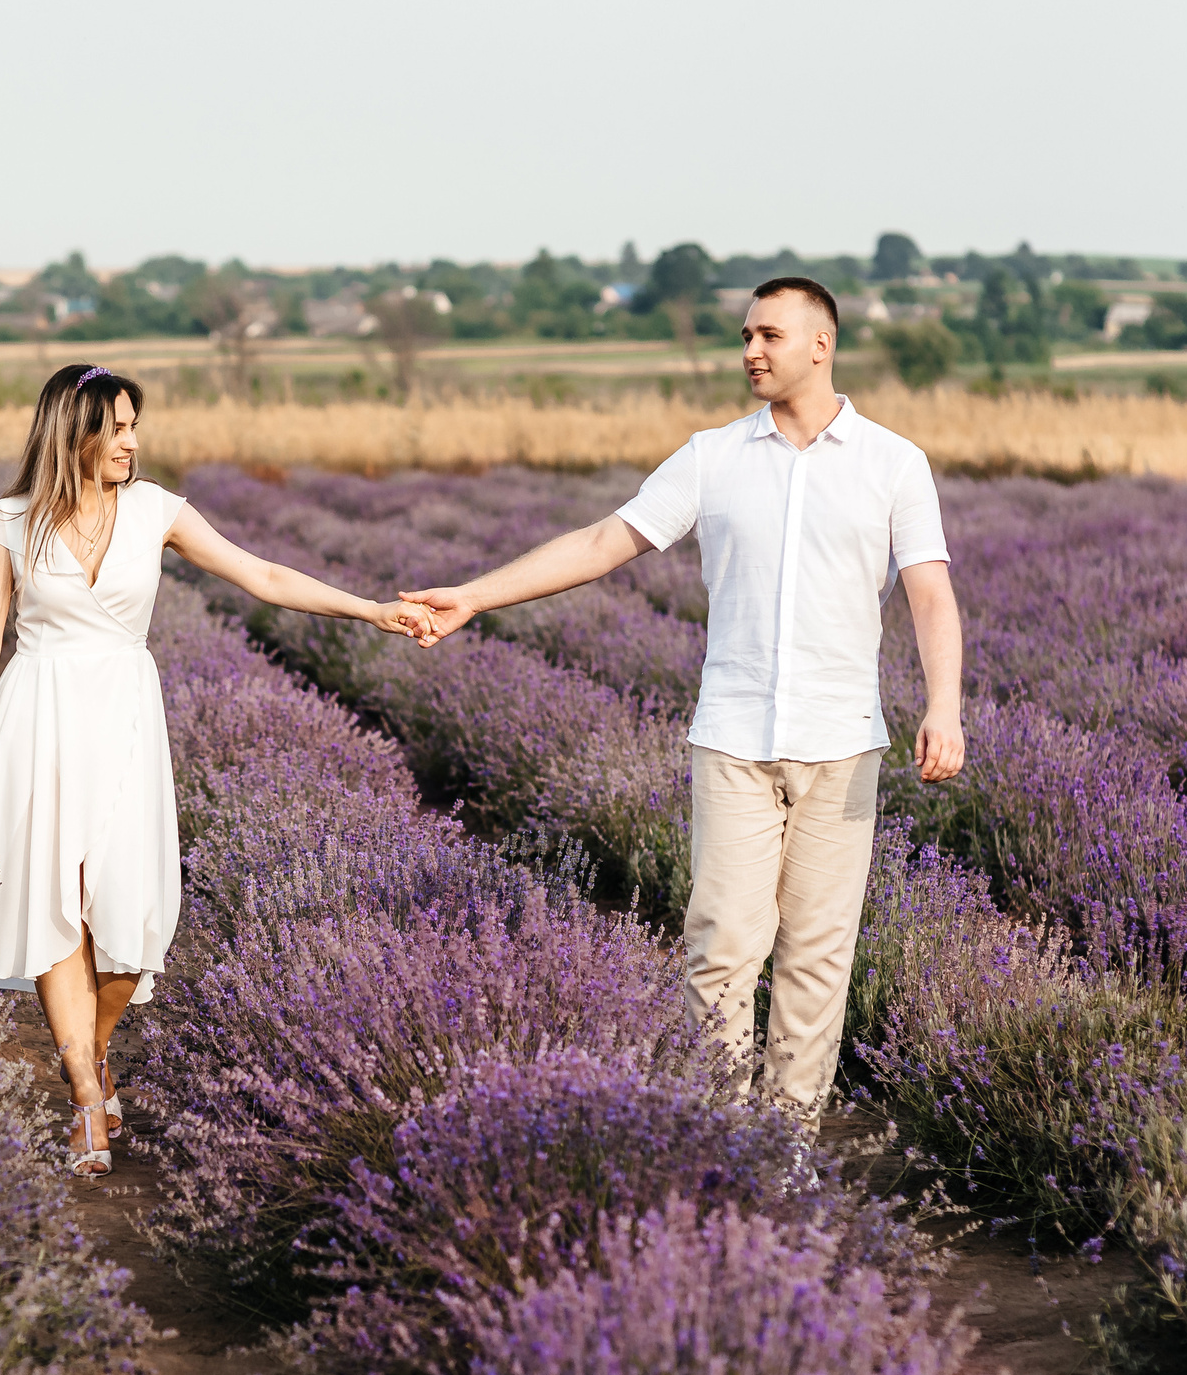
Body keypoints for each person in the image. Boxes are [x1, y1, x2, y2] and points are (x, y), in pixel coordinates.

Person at [399, 276, 965, 1129]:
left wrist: (944, 706)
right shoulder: (713, 455)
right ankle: (719, 1134)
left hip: (843, 742)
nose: (749, 351)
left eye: (768, 335)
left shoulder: (894, 463)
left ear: (821, 344)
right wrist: (476, 596)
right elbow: (603, 541)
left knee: (817, 959)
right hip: (733, 737)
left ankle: (790, 1144)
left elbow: (929, 592)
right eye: (745, 335)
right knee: (721, 951)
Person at [0, 362, 429, 1174]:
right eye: (117, 426)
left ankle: (89, 1051)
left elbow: (260, 575)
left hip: (123, 719)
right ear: (74, 432)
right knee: (55, 904)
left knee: (132, 918)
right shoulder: (9, 523)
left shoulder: (157, 509)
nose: (132, 440)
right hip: (35, 719)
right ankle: (87, 1095)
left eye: (133, 426)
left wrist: (371, 610)